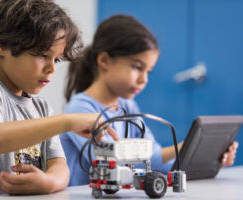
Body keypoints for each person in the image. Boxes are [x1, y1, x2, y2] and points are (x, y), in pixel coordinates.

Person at [0, 0, 118, 198]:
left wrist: (49, 182)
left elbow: (60, 167)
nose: (52, 68)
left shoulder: (40, 107)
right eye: (43, 55)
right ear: (2, 45)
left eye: (56, 59)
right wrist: (68, 122)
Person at [60, 14, 239, 186]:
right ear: (104, 60)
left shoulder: (127, 106)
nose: (144, 79)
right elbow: (114, 163)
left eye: (148, 71)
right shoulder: (80, 108)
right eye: (137, 67)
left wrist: (204, 159)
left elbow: (154, 162)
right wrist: (185, 147)